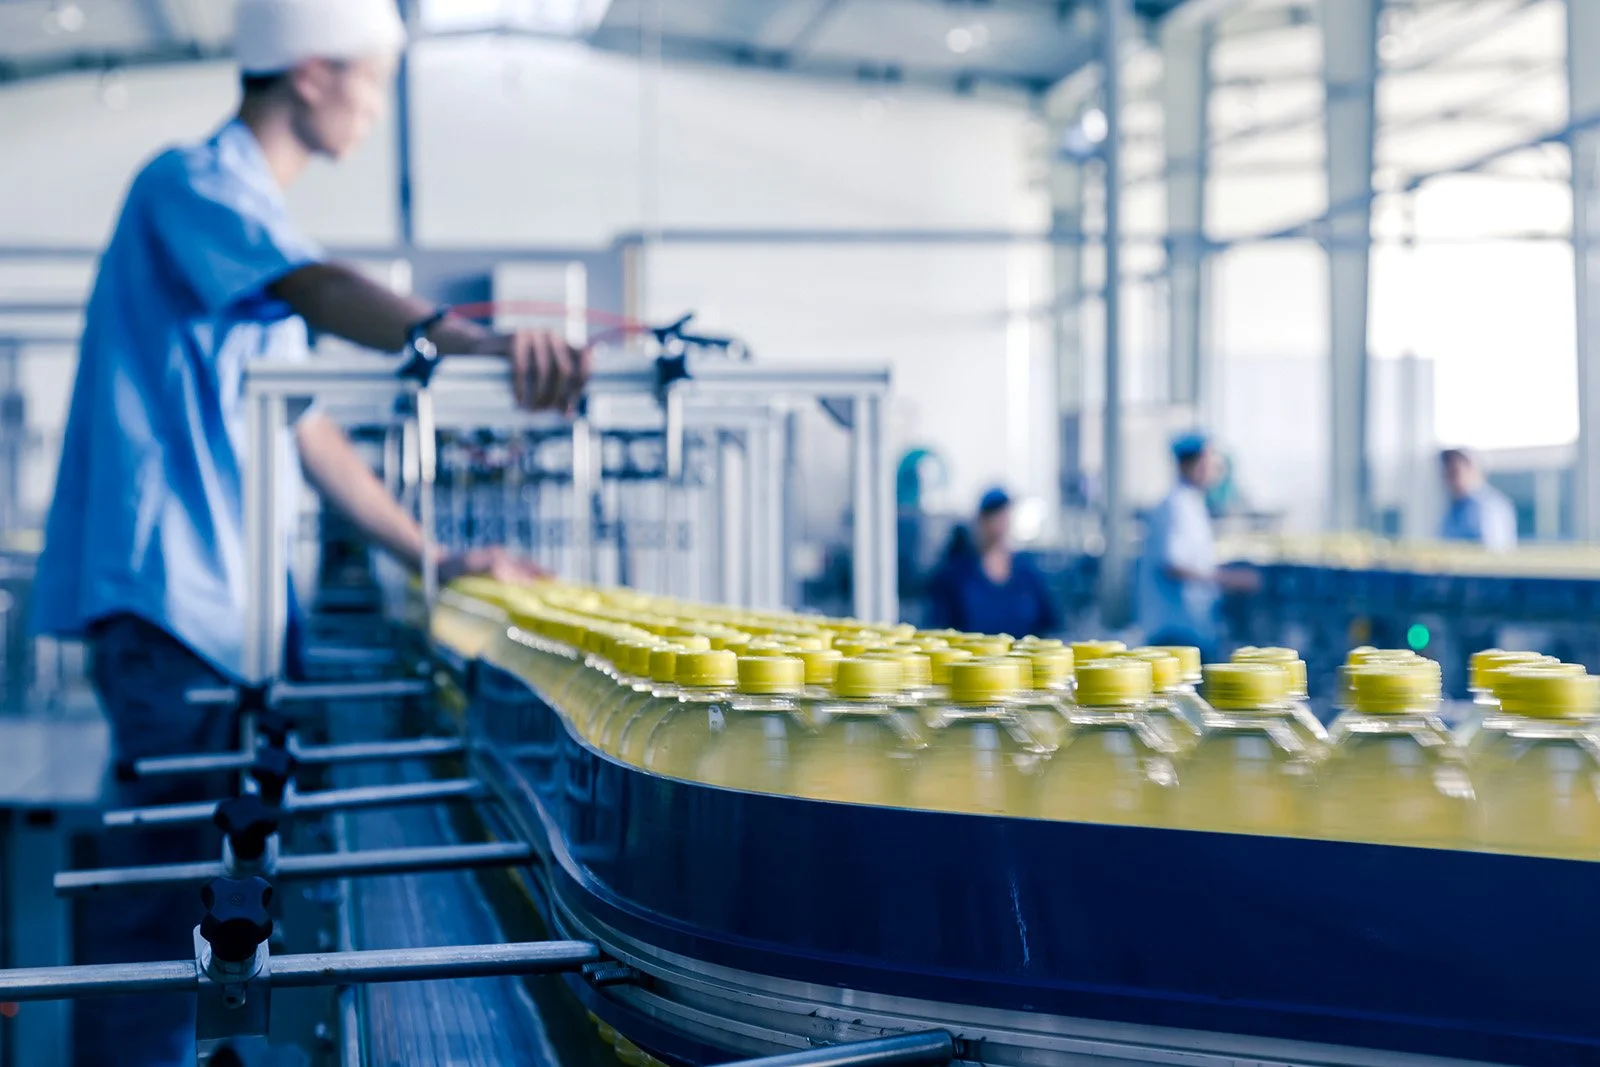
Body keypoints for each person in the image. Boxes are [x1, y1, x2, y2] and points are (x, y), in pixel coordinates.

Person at [29, 2, 587, 1062]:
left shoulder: (249, 231)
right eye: (375, 82)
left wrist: (436, 554)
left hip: (214, 613)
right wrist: (466, 339)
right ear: (312, 71)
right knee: (159, 914)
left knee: (208, 897)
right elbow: (318, 290)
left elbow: (310, 430)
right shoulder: (189, 187)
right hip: (171, 606)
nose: (377, 112)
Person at [1137, 434, 1256, 658]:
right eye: (1212, 460)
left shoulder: (1191, 502)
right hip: (1175, 632)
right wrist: (1229, 579)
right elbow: (1174, 565)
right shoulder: (1175, 506)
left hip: (1193, 627)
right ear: (1199, 462)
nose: (1217, 469)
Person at [925, 488, 1061, 637]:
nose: (999, 522)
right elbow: (939, 629)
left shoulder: (1027, 574)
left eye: (1004, 515)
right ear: (981, 520)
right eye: (993, 515)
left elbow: (1049, 626)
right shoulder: (956, 576)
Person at [1439, 448, 1517, 551]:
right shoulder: (1454, 507)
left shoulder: (1490, 506)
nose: (1448, 477)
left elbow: (1494, 553)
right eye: (1446, 471)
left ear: (1473, 469)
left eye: (1454, 471)